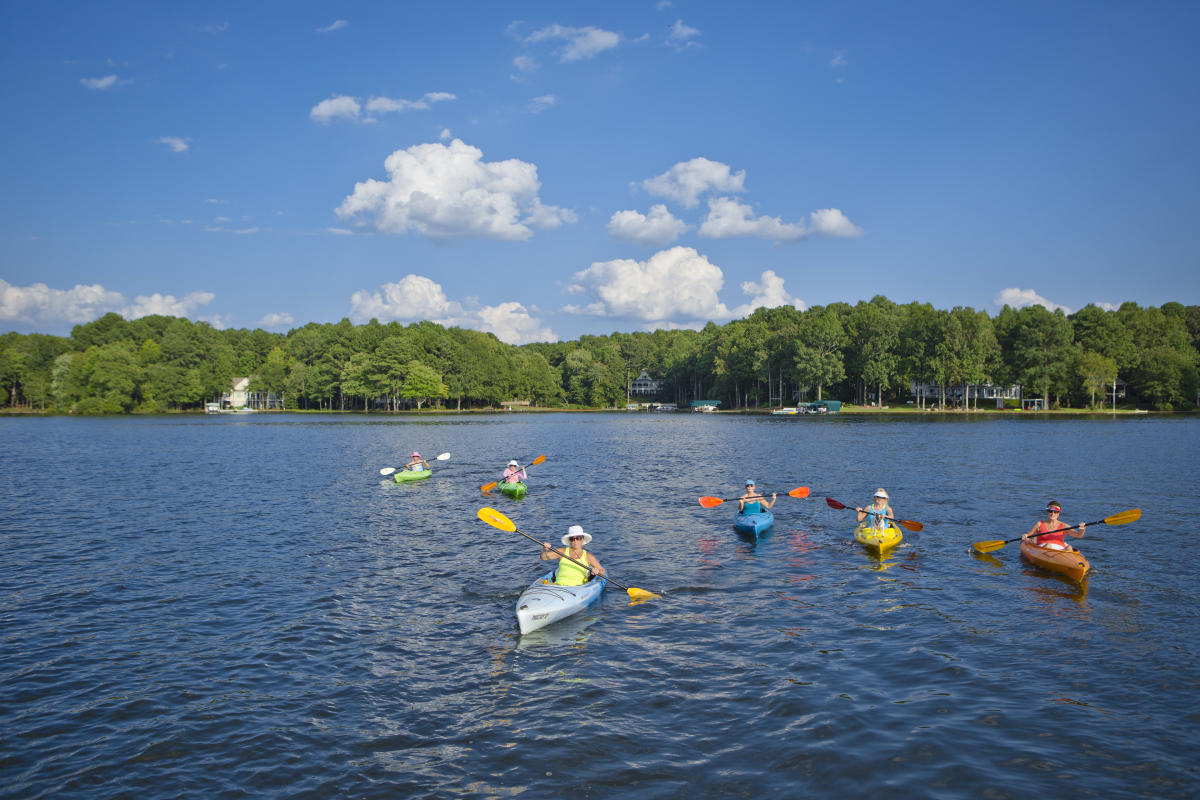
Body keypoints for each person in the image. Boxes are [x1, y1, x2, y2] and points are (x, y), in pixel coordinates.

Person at [540, 525, 606, 586]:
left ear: (582, 539)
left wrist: (597, 572)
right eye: (572, 539)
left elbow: (602, 571)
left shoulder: (588, 556)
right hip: (558, 586)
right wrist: (544, 550)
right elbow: (543, 557)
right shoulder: (561, 552)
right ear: (569, 540)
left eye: (578, 538)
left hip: (577, 589)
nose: (575, 541)